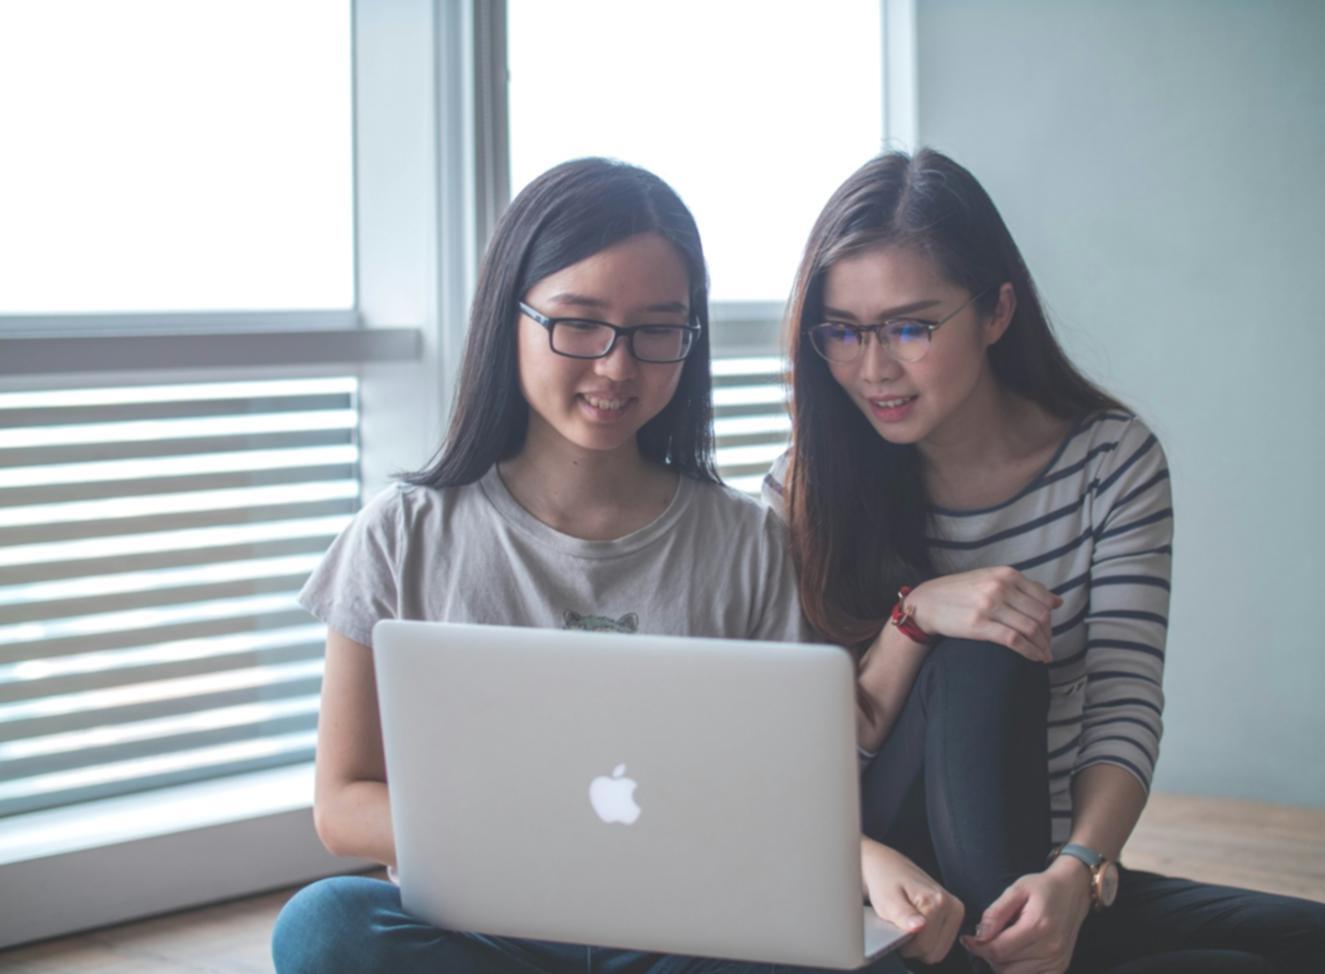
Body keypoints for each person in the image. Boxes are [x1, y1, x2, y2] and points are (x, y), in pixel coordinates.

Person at [270, 157, 962, 974]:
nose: (616, 366)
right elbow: (344, 806)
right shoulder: (400, 535)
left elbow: (774, 789)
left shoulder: (746, 541)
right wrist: (560, 825)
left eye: (655, 330)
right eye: (579, 323)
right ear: (509, 319)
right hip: (481, 927)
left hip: (686, 933)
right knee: (323, 927)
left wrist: (862, 860)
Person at [765, 147, 1325, 973]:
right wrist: (913, 615)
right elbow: (798, 756)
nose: (872, 367)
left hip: (1037, 857)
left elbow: (1123, 701)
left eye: (910, 327)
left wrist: (1078, 870)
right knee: (979, 653)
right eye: (842, 332)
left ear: (996, 312)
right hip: (884, 874)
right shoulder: (805, 486)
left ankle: (1026, 937)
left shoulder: (1111, 462)